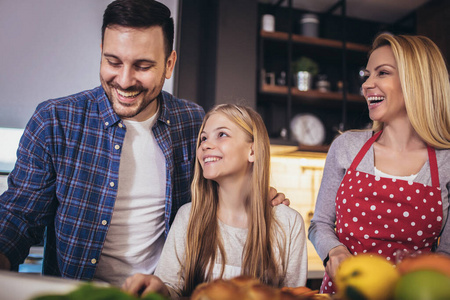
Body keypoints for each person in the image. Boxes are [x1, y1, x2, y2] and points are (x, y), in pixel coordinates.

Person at [0, 0, 287, 287]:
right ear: (101, 53)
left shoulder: (193, 122)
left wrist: (257, 196)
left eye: (143, 66)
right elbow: (18, 218)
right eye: (113, 62)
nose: (124, 81)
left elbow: (218, 195)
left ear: (169, 64)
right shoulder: (55, 121)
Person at [308, 32, 450, 294]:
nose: (366, 85)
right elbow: (320, 224)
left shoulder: (446, 162)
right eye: (367, 75)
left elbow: (447, 255)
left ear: (416, 80)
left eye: (382, 73)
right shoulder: (346, 148)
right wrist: (334, 251)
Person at [122, 104, 308, 298]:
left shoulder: (288, 223)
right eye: (203, 138)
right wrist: (159, 288)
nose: (205, 145)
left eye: (222, 135)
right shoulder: (188, 217)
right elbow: (171, 290)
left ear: (252, 151)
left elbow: (294, 295)